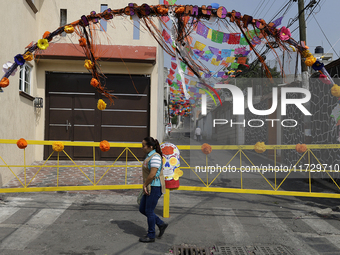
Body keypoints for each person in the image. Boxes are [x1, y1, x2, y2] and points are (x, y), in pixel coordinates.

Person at [139, 137, 168, 242]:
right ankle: (161, 224)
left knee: (149, 211)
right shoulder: (149, 156)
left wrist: (144, 184)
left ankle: (151, 235)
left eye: (144, 146)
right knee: (142, 209)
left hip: (155, 187)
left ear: (150, 146)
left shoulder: (155, 157)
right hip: (150, 186)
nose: (142, 148)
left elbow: (152, 174)